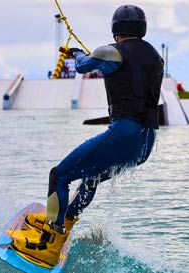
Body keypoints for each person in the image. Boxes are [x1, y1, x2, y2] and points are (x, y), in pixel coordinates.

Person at [12, 5, 164, 266]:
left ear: (116, 29)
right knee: (91, 176)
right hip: (146, 142)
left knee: (59, 175)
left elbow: (83, 66)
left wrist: (75, 52)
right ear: (143, 28)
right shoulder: (155, 56)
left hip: (125, 133)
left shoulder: (112, 51)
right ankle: (64, 219)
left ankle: (49, 243)